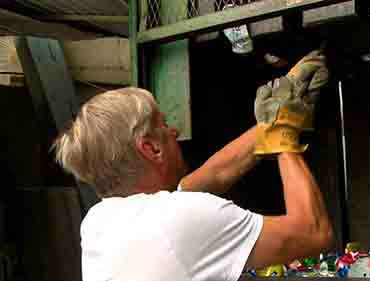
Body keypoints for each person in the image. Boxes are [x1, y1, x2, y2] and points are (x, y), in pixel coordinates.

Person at [53, 50, 333, 281]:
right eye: (164, 126)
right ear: (151, 148)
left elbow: (213, 175)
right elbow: (313, 232)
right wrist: (283, 132)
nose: (173, 131)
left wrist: (270, 122)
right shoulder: (179, 220)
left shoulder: (99, 221)